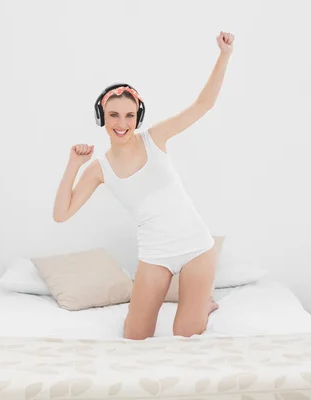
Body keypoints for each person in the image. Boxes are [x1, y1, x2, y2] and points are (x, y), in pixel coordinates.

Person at [53, 31, 235, 340]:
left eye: (128, 115)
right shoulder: (100, 168)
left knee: (185, 333)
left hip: (195, 247)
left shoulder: (155, 138)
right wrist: (73, 165)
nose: (121, 123)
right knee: (135, 336)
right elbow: (61, 214)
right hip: (155, 253)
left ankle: (203, 305)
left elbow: (203, 104)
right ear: (102, 117)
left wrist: (224, 55)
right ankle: (192, 303)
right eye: (113, 115)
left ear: (138, 117)